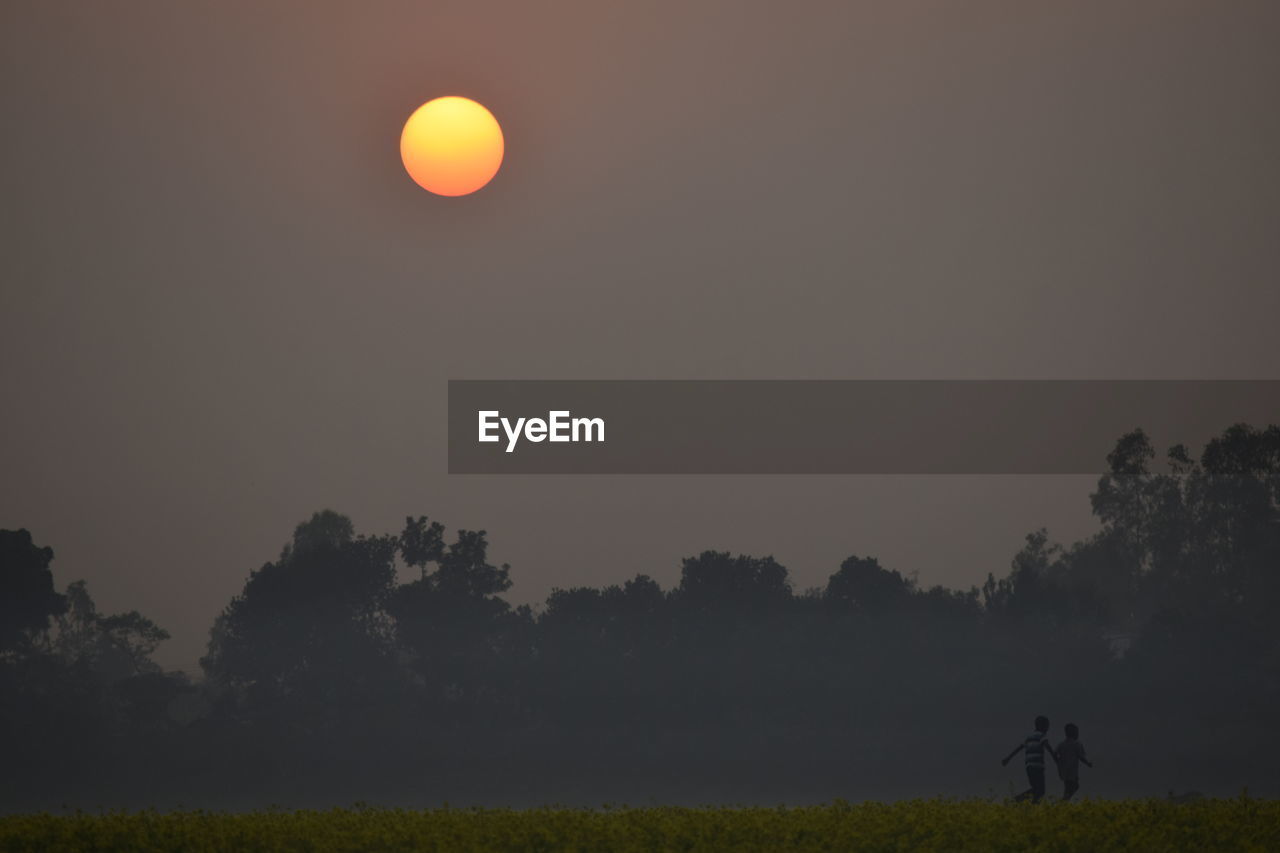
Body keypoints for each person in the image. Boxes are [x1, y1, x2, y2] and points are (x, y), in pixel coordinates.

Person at [1001, 715, 1057, 802]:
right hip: (1038, 767)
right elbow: (1048, 747)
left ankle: (1027, 804)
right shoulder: (1041, 736)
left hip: (1029, 767)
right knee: (1040, 791)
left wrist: (1008, 758)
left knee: (1037, 789)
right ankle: (1019, 800)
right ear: (1041, 726)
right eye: (1047, 726)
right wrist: (1056, 759)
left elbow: (1019, 748)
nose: (1048, 728)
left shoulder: (1029, 737)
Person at [1056, 723, 1092, 800]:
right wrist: (1088, 763)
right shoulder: (1077, 744)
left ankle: (1064, 801)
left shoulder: (1061, 744)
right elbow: (1081, 756)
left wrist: (1058, 762)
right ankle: (1064, 801)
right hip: (1072, 770)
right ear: (1074, 733)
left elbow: (1055, 753)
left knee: (1068, 786)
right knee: (1074, 786)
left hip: (1063, 770)